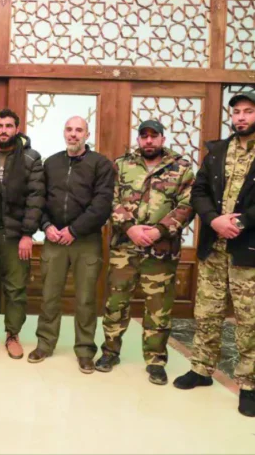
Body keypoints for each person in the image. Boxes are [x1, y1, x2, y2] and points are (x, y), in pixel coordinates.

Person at [173, 91, 255, 418]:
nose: (241, 117)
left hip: (248, 249)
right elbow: (198, 192)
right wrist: (213, 220)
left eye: (248, 111)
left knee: (249, 320)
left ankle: (249, 385)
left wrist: (241, 221)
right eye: (236, 112)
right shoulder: (218, 151)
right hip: (214, 246)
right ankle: (201, 369)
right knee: (207, 312)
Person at [98, 120, 194, 385]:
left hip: (161, 251)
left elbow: (187, 205)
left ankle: (155, 361)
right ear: (139, 139)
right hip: (124, 248)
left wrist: (159, 231)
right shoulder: (122, 165)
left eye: (154, 136)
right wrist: (129, 228)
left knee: (158, 309)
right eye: (144, 136)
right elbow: (110, 199)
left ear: (163, 139)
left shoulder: (181, 168)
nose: (149, 141)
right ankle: (110, 352)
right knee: (116, 304)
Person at [28, 116, 114, 374]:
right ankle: (45, 344)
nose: (73, 134)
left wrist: (74, 230)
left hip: (85, 241)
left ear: (87, 134)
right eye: (69, 129)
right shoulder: (51, 163)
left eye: (79, 130)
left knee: (86, 299)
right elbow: (39, 199)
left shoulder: (100, 164)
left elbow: (102, 205)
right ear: (63, 133)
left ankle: (85, 351)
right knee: (49, 296)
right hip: (54, 239)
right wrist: (46, 226)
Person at [0, 109, 44, 358]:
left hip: (17, 236)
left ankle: (13, 334)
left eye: (8, 126)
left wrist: (28, 234)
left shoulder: (30, 158)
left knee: (16, 289)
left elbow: (36, 197)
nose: (3, 130)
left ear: (17, 129)